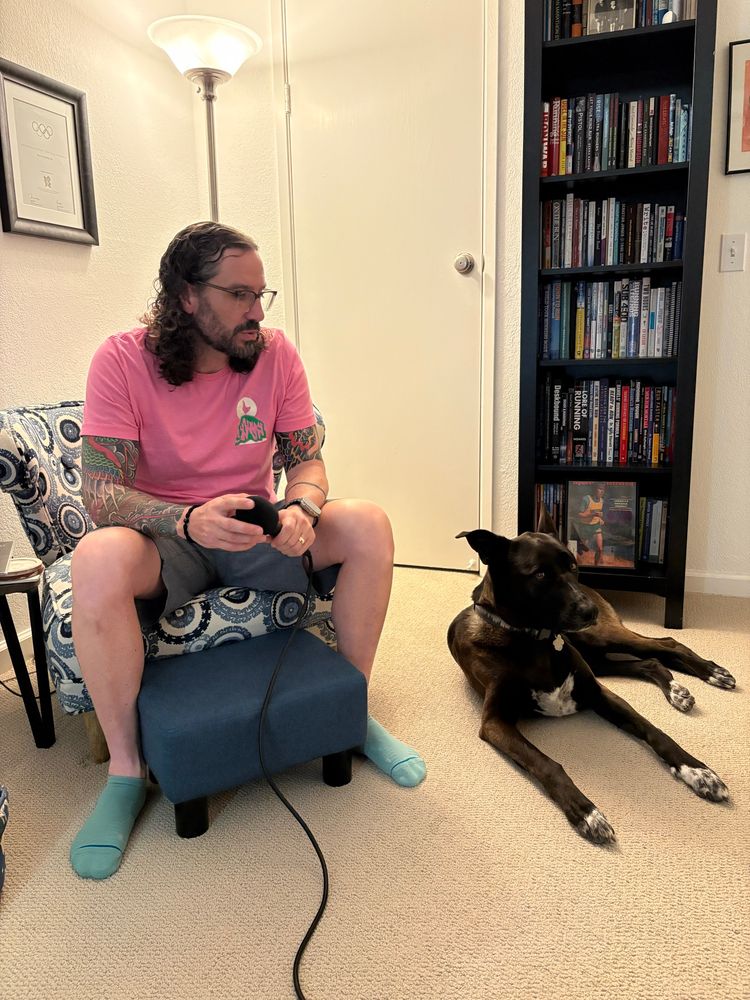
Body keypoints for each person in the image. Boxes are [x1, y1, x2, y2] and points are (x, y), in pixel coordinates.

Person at [69, 221, 426, 880]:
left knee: (368, 524)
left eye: (262, 294)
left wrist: (303, 508)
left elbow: (307, 460)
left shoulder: (275, 354)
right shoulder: (121, 359)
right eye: (238, 295)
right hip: (167, 539)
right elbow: (101, 494)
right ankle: (125, 771)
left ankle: (350, 709)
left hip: (257, 529)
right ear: (186, 296)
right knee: (95, 559)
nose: (256, 312)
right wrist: (186, 520)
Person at [574, 484, 606, 566]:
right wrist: (593, 514)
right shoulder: (586, 499)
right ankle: (577, 564)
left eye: (603, 489)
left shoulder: (602, 500)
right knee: (582, 550)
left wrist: (600, 519)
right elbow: (580, 514)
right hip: (585, 526)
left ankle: (596, 566)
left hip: (596, 525)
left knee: (600, 548)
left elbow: (598, 514)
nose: (602, 491)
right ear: (595, 489)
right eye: (600, 489)